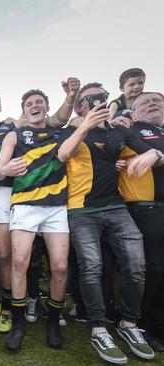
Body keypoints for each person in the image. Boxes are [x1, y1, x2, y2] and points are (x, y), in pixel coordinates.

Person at [0, 79, 79, 334]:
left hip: (4, 192)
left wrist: (69, 100)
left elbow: (56, 119)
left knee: (4, 255)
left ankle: (9, 309)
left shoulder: (12, 124)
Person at [59, 82, 163, 364]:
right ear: (80, 107)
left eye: (102, 97)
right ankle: (98, 327)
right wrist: (84, 126)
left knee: (136, 266)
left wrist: (154, 154)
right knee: (92, 267)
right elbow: (63, 154)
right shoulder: (72, 130)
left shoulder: (120, 129)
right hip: (81, 209)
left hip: (116, 207)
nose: (98, 101)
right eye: (91, 99)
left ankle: (129, 324)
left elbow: (148, 150)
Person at [0, 89, 70, 351]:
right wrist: (7, 169)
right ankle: (18, 324)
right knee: (19, 262)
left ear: (47, 107)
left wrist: (70, 96)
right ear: (23, 110)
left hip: (55, 206)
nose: (35, 106)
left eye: (39, 102)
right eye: (29, 104)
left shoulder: (60, 132)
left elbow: (66, 117)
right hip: (24, 204)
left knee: (59, 267)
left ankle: (53, 321)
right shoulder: (14, 134)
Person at [118, 91, 164, 352]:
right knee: (152, 270)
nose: (153, 104)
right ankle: (142, 325)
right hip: (144, 210)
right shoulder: (130, 131)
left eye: (157, 100)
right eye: (145, 102)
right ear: (132, 112)